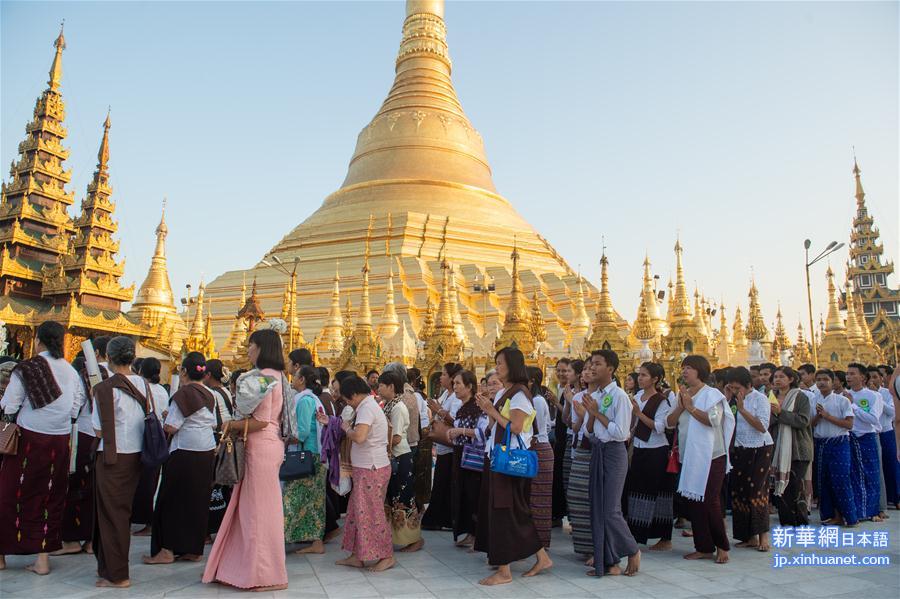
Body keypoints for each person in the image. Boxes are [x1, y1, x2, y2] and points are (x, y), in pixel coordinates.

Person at [202, 329, 288, 591]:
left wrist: (233, 425)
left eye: (251, 345)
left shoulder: (264, 379)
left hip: (260, 446)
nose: (248, 349)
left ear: (262, 348)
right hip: (268, 445)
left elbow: (261, 420)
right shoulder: (279, 376)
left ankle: (264, 573)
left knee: (258, 512)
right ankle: (245, 567)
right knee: (253, 509)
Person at [0, 321, 84, 576]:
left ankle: (1, 556)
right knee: (50, 497)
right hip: (59, 441)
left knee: (9, 494)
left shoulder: (26, 368)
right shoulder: (70, 371)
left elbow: (9, 405)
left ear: (38, 340)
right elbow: (75, 406)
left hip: (28, 440)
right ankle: (42, 559)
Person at [473, 347, 552, 585]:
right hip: (497, 457)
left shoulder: (520, 395)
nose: (496, 368)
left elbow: (516, 427)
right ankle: (541, 557)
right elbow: (495, 425)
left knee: (505, 510)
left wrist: (491, 410)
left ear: (512, 366)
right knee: (513, 510)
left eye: (500, 363)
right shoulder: (504, 393)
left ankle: (505, 571)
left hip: (510, 459)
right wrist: (487, 408)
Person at [143, 352, 217, 565]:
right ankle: (193, 548)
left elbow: (172, 427)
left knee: (171, 500)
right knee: (197, 500)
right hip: (205, 450)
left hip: (185, 451)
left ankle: (166, 550)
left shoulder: (183, 394)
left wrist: (166, 418)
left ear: (184, 371)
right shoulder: (208, 393)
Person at [91, 336, 149, 588]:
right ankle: (109, 567)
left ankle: (117, 574)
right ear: (133, 357)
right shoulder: (144, 384)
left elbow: (97, 430)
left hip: (113, 458)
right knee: (120, 513)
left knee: (112, 514)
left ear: (108, 357)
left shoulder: (105, 389)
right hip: (137, 455)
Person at [667, 355, 734, 564]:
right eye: (683, 368)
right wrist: (681, 405)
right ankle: (703, 547)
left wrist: (691, 407)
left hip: (712, 455)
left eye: (689, 368)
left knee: (710, 501)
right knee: (694, 501)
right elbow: (669, 422)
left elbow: (713, 421)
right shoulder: (683, 395)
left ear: (701, 371)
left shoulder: (712, 394)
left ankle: (722, 545)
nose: (685, 371)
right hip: (690, 455)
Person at [581, 350, 639, 576]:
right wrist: (592, 414)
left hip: (614, 453)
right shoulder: (595, 395)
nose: (592, 368)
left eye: (597, 364)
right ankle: (609, 561)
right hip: (597, 450)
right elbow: (587, 430)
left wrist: (597, 413)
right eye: (591, 364)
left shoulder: (619, 396)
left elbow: (621, 433)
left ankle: (632, 550)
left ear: (611, 369)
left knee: (610, 510)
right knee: (597, 507)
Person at [334, 375, 395, 572]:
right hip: (367, 467)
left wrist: (346, 429)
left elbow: (359, 437)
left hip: (372, 468)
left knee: (371, 513)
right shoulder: (367, 406)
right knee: (356, 513)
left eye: (346, 399)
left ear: (352, 395)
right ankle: (357, 555)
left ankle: (386, 556)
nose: (347, 403)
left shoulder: (367, 408)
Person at [624, 362, 675, 552]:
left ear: (655, 379)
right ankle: (637, 532)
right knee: (637, 490)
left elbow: (660, 427)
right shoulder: (637, 396)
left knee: (658, 492)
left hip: (656, 449)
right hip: (638, 447)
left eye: (645, 375)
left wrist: (638, 413)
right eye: (640, 375)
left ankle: (665, 537)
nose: (640, 378)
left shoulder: (661, 400)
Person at [725, 366, 774, 551]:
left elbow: (762, 426)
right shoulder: (731, 400)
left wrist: (743, 409)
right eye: (732, 387)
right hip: (739, 447)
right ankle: (748, 535)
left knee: (756, 491)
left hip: (759, 447)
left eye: (738, 388)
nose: (736, 391)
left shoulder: (760, 399)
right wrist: (729, 399)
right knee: (740, 491)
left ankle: (763, 536)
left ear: (747, 385)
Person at [284, 365, 328, 554]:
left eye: (295, 376)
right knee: (312, 499)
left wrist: (283, 438)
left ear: (302, 380)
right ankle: (313, 540)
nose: (292, 379)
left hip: (307, 456)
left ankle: (282, 537)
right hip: (314, 454)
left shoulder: (304, 401)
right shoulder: (312, 398)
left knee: (292, 498)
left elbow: (301, 432)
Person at [379, 370, 423, 553]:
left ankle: (414, 539)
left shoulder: (398, 407)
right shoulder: (389, 405)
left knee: (403, 499)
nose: (379, 388)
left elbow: (395, 437)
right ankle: (395, 537)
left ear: (391, 387)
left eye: (382, 385)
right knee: (394, 498)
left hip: (399, 455)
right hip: (394, 456)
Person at [811, 369, 857, 526]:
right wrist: (818, 415)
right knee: (824, 482)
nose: (821, 382)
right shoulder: (813, 400)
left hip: (839, 443)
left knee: (841, 480)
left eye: (825, 379)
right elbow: (810, 424)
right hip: (821, 444)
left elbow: (849, 424)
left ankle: (850, 517)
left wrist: (827, 416)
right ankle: (833, 515)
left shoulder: (842, 400)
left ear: (833, 382)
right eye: (818, 379)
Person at [421, 362, 463, 530]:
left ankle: (444, 519)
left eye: (444, 374)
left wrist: (439, 411)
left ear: (452, 378)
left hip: (451, 445)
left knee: (445, 483)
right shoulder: (446, 393)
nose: (441, 377)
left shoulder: (456, 398)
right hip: (442, 445)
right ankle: (438, 518)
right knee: (440, 482)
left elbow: (456, 422)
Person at [770, 366, 812, 526]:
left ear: (791, 379)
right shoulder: (771, 397)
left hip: (798, 449)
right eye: (775, 377)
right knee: (781, 487)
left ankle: (800, 521)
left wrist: (781, 413)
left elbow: (803, 421)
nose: (777, 380)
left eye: (781, 376)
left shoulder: (800, 397)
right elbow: (767, 422)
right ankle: (786, 521)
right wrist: (774, 414)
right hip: (778, 448)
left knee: (795, 485)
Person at [448, 369, 485, 548]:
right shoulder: (463, 407)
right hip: (459, 453)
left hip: (472, 456)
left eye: (458, 384)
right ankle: (469, 533)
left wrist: (460, 431)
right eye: (453, 383)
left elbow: (483, 432)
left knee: (473, 495)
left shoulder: (477, 407)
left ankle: (477, 534)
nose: (454, 387)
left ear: (469, 386)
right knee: (462, 494)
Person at [131, 358, 167, 536]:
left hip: (142, 436)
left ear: (139, 371)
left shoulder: (140, 388)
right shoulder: (162, 390)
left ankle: (144, 520)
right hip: (157, 437)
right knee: (150, 480)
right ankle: (147, 521)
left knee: (140, 480)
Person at [568, 360, 599, 560]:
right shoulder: (578, 397)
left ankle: (598, 547)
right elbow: (575, 427)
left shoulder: (607, 396)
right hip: (581, 447)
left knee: (595, 498)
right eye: (585, 369)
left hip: (599, 448)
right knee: (577, 496)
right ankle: (584, 546)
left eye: (591, 368)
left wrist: (590, 415)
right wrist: (581, 415)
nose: (587, 372)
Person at [845, 363, 883, 522]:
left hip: (867, 437)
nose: (848, 376)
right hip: (850, 437)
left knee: (871, 474)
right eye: (847, 374)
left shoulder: (873, 396)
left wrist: (853, 405)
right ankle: (858, 511)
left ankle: (873, 511)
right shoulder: (843, 395)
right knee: (852, 475)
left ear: (862, 377)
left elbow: (873, 419)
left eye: (853, 373)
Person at [203, 359, 234, 538]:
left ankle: (208, 530)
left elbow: (212, 420)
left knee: (212, 485)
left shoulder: (211, 394)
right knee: (220, 485)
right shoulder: (226, 391)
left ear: (208, 375)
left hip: (216, 440)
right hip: (226, 440)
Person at [527, 366, 555, 548]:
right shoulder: (533, 400)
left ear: (531, 381)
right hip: (537, 448)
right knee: (531, 497)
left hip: (539, 449)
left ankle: (540, 542)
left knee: (540, 499)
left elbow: (534, 428)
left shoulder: (537, 401)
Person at [874, 365, 899, 510]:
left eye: (877, 377)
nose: (873, 380)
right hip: (873, 434)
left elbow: (893, 412)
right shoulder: (862, 394)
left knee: (892, 465)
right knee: (878, 468)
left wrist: (879, 400)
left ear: (882, 378)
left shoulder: (887, 393)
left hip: (887, 432)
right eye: (871, 377)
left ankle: (896, 497)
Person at [552, 359, 572, 524]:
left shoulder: (571, 391)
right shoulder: (557, 388)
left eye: (565, 371)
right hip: (558, 436)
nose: (561, 374)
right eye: (558, 370)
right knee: (558, 475)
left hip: (568, 436)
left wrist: (556, 403)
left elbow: (568, 416)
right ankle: (558, 513)